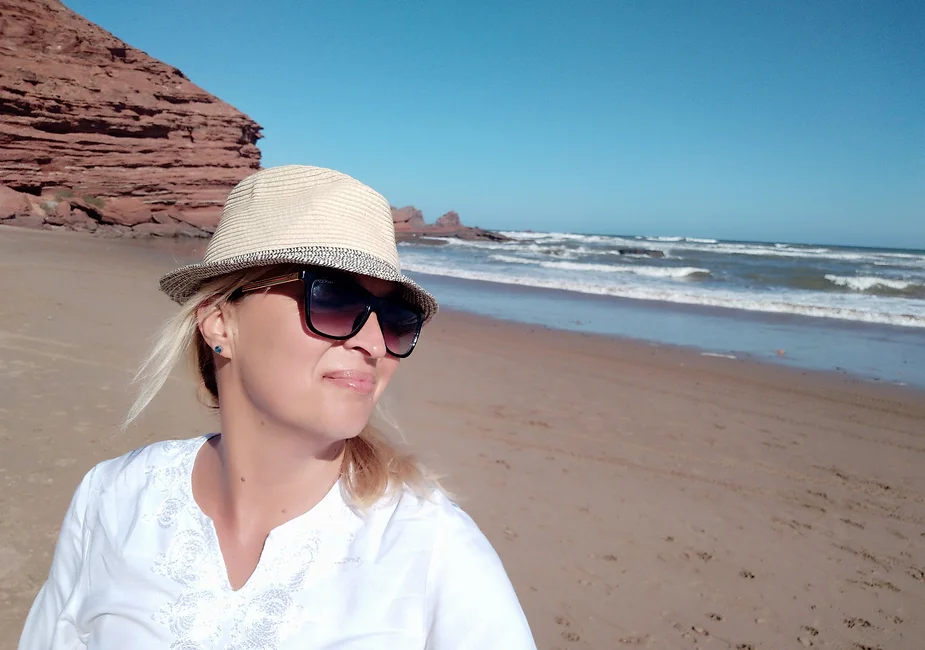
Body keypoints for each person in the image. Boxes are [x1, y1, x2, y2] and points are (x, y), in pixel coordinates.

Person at [18, 165, 537, 649]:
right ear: (220, 323)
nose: (375, 343)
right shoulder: (112, 498)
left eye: (395, 317)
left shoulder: (439, 554)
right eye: (333, 299)